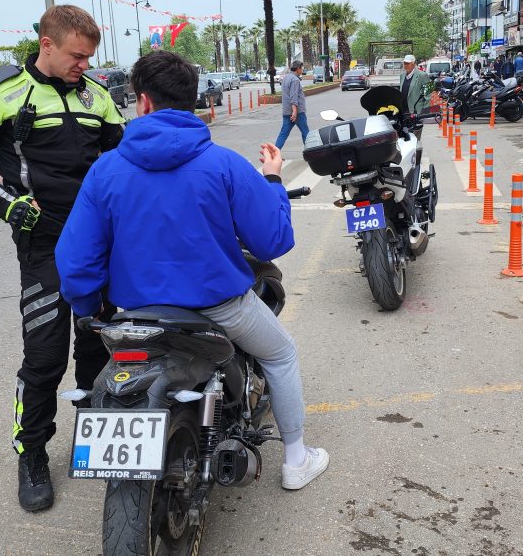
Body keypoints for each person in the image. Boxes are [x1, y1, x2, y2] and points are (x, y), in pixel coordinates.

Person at [54, 50, 330, 490]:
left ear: (142, 102)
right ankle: (296, 458)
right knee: (280, 354)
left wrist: (93, 309)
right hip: (220, 309)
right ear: (194, 99)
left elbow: (77, 260)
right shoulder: (223, 164)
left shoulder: (105, 170)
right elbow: (272, 241)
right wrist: (273, 179)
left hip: (137, 314)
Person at [0, 4, 125, 512]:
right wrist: (8, 205)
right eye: (76, 56)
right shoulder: (0, 92)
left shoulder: (99, 96)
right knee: (44, 359)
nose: (83, 65)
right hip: (43, 244)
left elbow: (124, 159)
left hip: (101, 242)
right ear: (47, 43)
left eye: (89, 57)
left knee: (100, 346)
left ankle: (102, 444)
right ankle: (32, 456)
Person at [276, 60, 308, 149]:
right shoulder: (295, 80)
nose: (302, 70)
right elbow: (294, 97)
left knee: (283, 134)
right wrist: (294, 111)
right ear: (298, 68)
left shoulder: (286, 78)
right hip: (297, 113)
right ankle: (310, 153)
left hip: (286, 111)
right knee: (306, 133)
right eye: (302, 68)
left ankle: (275, 155)